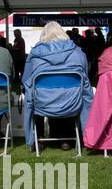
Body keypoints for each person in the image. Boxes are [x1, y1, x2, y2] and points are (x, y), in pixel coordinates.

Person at [22, 21, 92, 149]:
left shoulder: (35, 55)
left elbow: (25, 79)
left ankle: (39, 139)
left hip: (42, 103)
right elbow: (84, 77)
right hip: (71, 102)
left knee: (33, 92)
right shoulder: (78, 53)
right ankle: (66, 140)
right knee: (69, 93)